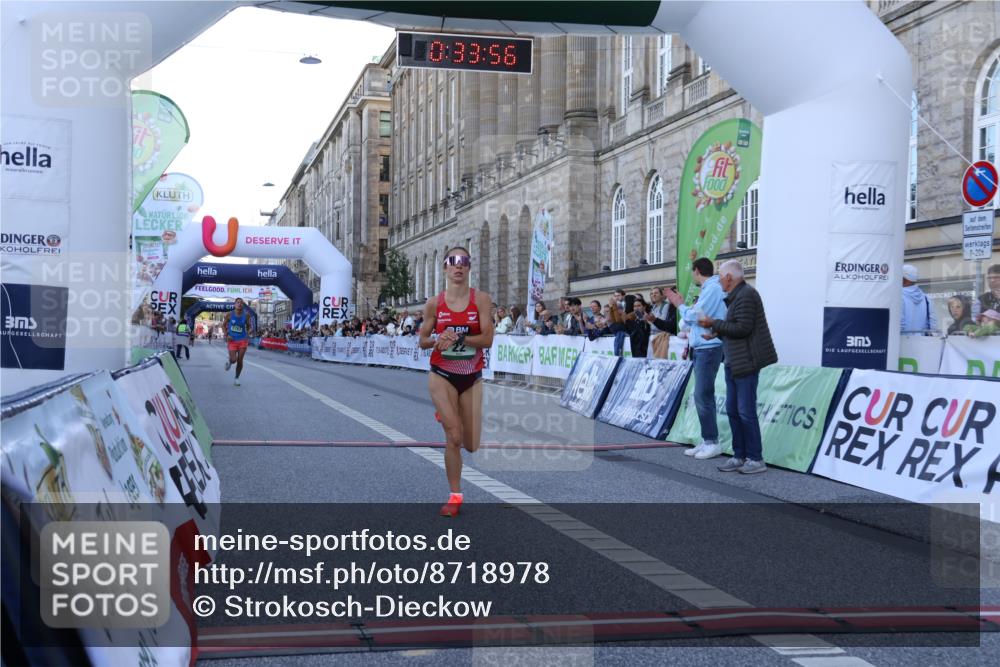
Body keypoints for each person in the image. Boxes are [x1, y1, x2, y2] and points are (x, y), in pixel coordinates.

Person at [419, 247, 494, 518]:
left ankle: (448, 414)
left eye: (463, 262)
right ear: (445, 268)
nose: (458, 266)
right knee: (454, 437)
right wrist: (438, 340)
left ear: (469, 267)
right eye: (453, 262)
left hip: (471, 376)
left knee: (471, 444)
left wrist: (459, 338)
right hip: (442, 374)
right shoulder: (434, 304)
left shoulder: (481, 300)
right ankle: (455, 495)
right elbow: (422, 341)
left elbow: (487, 340)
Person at [698, 260, 777, 475]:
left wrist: (713, 323)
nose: (719, 281)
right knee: (734, 410)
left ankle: (755, 458)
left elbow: (743, 328)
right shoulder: (738, 296)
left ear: (729, 277)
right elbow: (737, 328)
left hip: (746, 362)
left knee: (745, 411)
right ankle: (739, 455)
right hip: (735, 361)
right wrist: (717, 332)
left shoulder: (747, 295)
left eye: (720, 277)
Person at [666, 258, 727, 459]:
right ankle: (707, 439)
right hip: (703, 348)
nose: (692, 276)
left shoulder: (712, 289)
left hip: (709, 348)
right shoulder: (710, 289)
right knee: (702, 395)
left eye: (693, 272)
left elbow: (695, 316)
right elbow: (698, 316)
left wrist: (680, 305)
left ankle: (712, 441)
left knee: (703, 395)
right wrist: (686, 309)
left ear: (697, 271)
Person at [223, 298, 253, 387]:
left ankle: (236, 378)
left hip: (242, 340)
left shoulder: (246, 315)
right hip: (232, 340)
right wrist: (226, 334)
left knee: (240, 360)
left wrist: (249, 332)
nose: (239, 304)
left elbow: (249, 326)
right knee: (234, 360)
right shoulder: (229, 314)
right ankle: (230, 360)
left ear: (243, 305)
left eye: (241, 303)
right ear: (234, 304)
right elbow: (223, 325)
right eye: (238, 302)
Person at [901, 264, 938, 333]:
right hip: (922, 341)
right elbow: (933, 324)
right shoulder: (926, 298)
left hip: (903, 341)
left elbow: (899, 324)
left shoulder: (898, 297)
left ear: (904, 279)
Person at [646, 286, 678, 357]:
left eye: (656, 293)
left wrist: (651, 321)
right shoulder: (653, 307)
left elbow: (662, 323)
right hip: (653, 336)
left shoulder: (666, 306)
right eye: (651, 293)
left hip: (660, 337)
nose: (653, 295)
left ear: (662, 295)